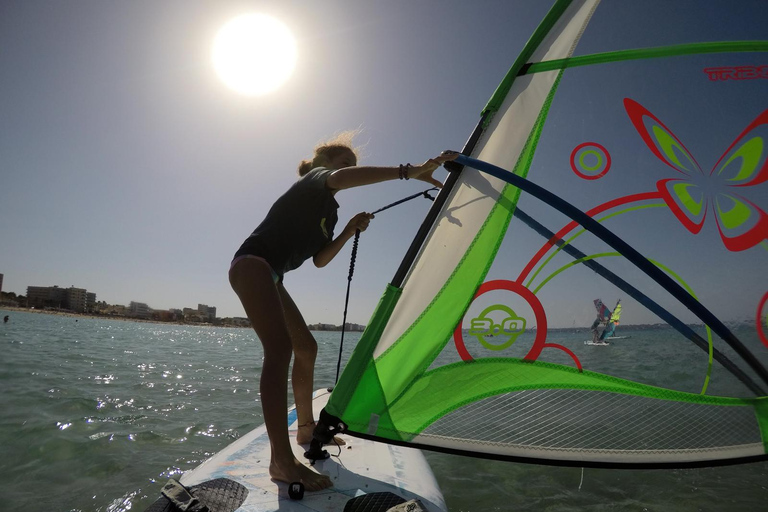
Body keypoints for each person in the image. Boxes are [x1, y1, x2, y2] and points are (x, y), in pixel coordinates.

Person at [228, 132, 456, 491]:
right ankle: (281, 461)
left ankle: (305, 429)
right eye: (346, 163)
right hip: (252, 265)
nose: (351, 170)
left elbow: (319, 260)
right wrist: (410, 171)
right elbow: (340, 179)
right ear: (325, 163)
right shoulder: (313, 181)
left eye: (353, 165)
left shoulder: (329, 213)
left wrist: (349, 229)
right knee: (280, 350)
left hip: (272, 276)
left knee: (306, 348)